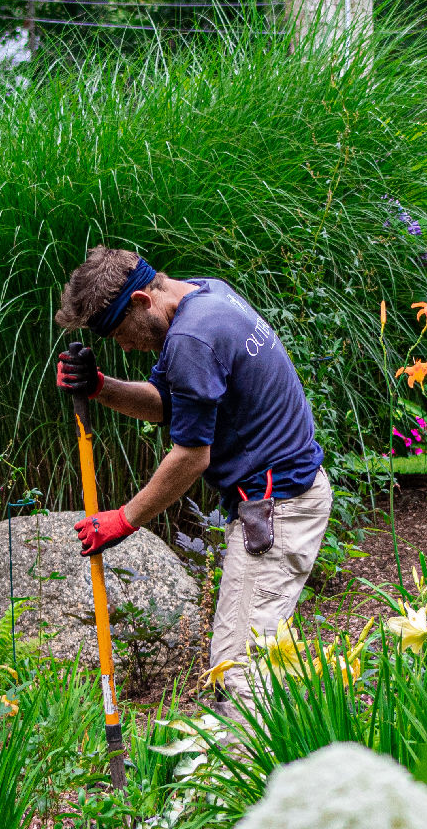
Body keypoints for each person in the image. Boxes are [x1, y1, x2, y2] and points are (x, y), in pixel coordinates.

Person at [53, 246, 330, 707]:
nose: (123, 346)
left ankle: (244, 773)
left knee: (238, 671)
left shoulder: (190, 338)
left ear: (141, 300)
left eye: (119, 332)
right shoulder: (206, 295)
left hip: (277, 506)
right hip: (288, 495)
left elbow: (191, 457)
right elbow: (166, 401)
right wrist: (100, 387)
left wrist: (123, 519)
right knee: (251, 659)